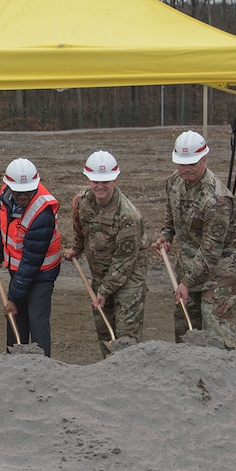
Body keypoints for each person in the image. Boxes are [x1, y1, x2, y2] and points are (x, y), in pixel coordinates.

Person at [154, 130, 236, 349]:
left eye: (192, 163)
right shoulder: (174, 183)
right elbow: (171, 216)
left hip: (221, 267)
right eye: (181, 163)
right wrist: (166, 235)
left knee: (214, 327)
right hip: (190, 263)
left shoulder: (217, 199)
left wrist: (186, 283)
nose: (186, 169)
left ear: (204, 159)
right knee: (185, 325)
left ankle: (220, 374)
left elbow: (211, 251)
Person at [63, 150, 148, 354]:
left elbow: (124, 262)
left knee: (126, 338)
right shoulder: (82, 201)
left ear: (115, 179)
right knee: (104, 330)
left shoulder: (128, 217)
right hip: (100, 275)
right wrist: (77, 248)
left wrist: (103, 291)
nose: (100, 186)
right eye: (95, 181)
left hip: (128, 280)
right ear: (88, 179)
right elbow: (80, 226)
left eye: (106, 181)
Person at [0, 158, 61, 357]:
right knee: (15, 320)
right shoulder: (3, 196)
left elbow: (31, 262)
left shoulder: (42, 213)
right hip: (19, 271)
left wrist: (13, 298)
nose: (24, 196)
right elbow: (2, 228)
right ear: (9, 186)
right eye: (19, 192)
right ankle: (13, 360)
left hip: (41, 273)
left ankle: (42, 365)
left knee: (37, 319)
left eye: (28, 191)